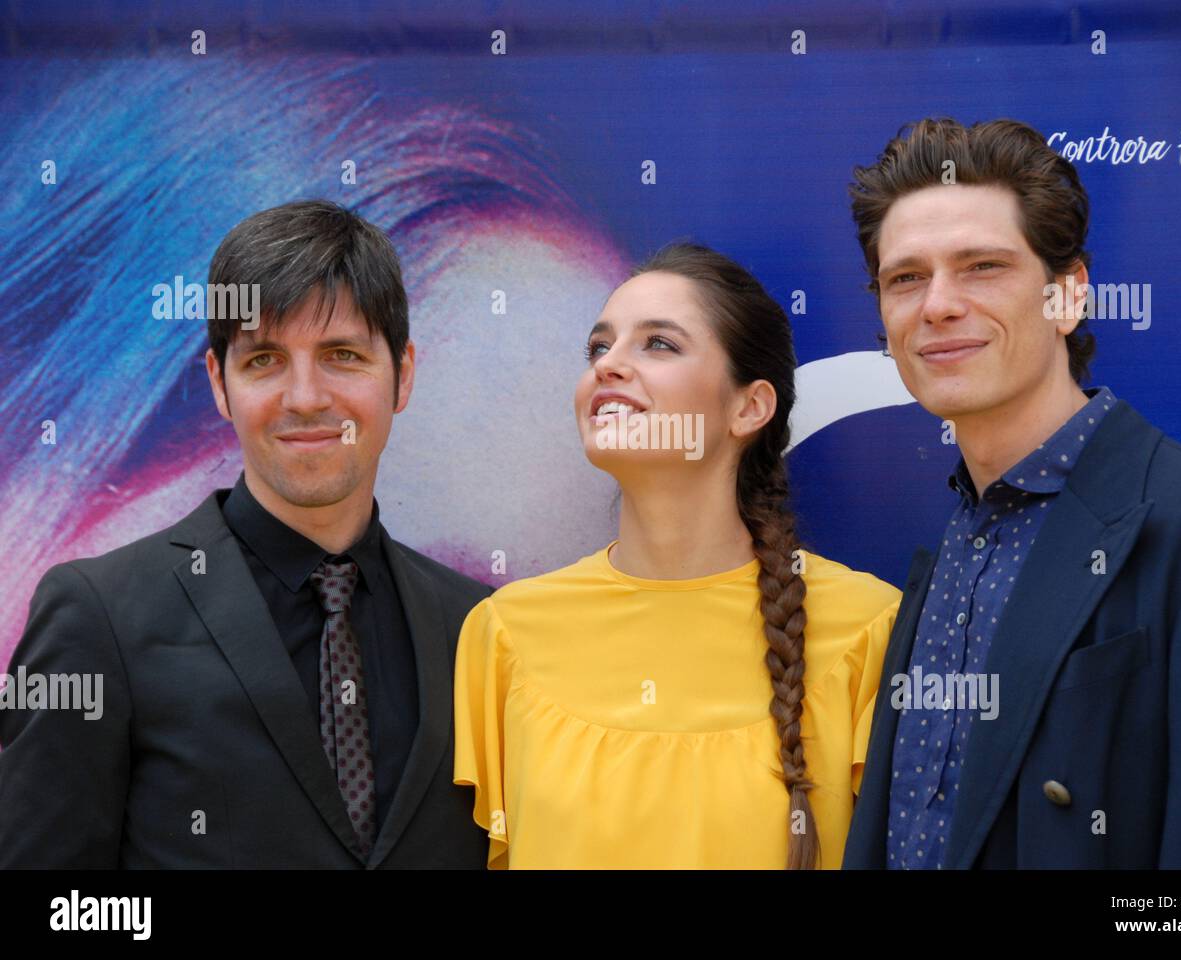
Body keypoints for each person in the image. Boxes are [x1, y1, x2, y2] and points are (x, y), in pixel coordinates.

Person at [841, 118, 1181, 869]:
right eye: (905, 278)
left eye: (982, 266)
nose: (938, 305)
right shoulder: (955, 542)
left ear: (1069, 294)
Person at [0, 200, 489, 868]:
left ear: (402, 375)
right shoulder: (99, 616)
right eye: (264, 361)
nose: (305, 397)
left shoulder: (481, 628)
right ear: (220, 385)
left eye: (342, 355)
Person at [453, 241, 901, 869]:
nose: (608, 365)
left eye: (658, 344)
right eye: (597, 347)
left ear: (750, 407)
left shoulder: (870, 630)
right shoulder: (502, 634)